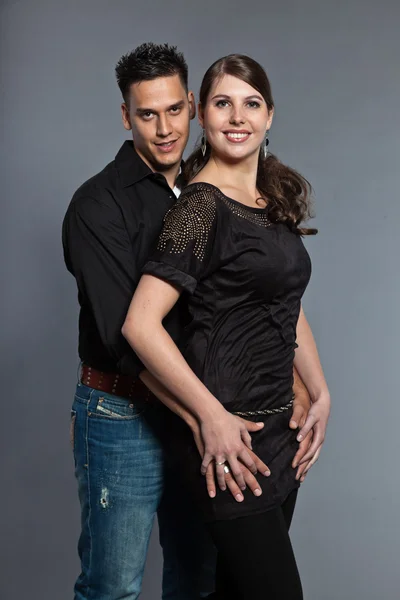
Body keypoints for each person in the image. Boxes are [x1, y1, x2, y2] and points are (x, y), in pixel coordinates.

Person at [63, 43, 318, 600]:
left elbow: (256, 302)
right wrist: (209, 416)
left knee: (199, 582)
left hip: (204, 417)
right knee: (114, 587)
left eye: (174, 110)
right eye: (147, 114)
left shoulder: (219, 186)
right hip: (125, 412)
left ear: (191, 110)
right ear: (125, 115)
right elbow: (127, 337)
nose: (163, 129)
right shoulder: (99, 206)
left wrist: (303, 384)